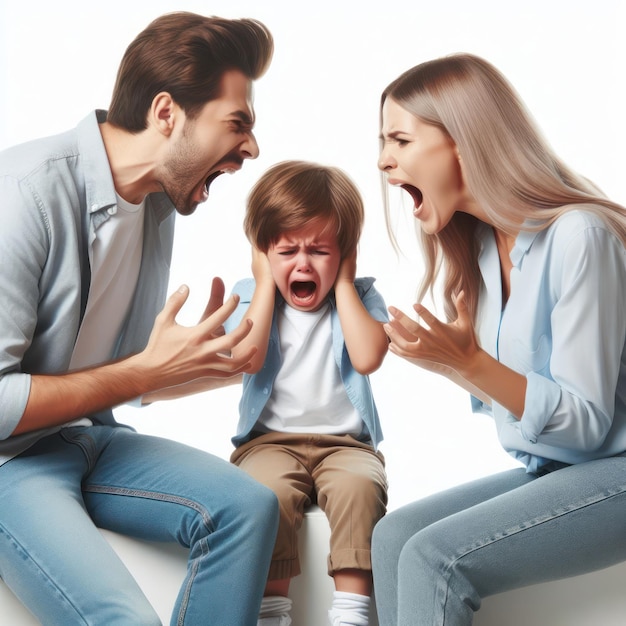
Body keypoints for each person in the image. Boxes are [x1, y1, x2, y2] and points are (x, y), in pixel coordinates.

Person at [0, 12, 280, 626]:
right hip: (7, 460)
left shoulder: (156, 207)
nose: (252, 149)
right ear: (166, 113)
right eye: (238, 123)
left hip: (84, 437)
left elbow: (127, 370)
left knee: (247, 510)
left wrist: (213, 364)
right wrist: (143, 374)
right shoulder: (22, 194)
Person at [372, 53, 626, 625]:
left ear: (463, 141)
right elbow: (516, 403)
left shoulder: (580, 235)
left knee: (435, 560)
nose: (384, 161)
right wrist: (452, 363)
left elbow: (587, 423)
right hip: (559, 469)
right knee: (393, 538)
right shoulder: (486, 250)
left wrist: (470, 362)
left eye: (400, 140)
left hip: (616, 471)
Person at [223, 160, 389, 626]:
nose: (302, 263)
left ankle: (352, 614)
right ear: (262, 253)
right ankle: (272, 613)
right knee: (265, 495)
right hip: (269, 443)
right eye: (286, 251)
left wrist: (344, 283)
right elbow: (247, 357)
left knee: (360, 488)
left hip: (346, 445)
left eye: (319, 251)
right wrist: (260, 283)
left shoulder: (359, 297)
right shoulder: (251, 297)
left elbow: (368, 356)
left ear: (345, 255)